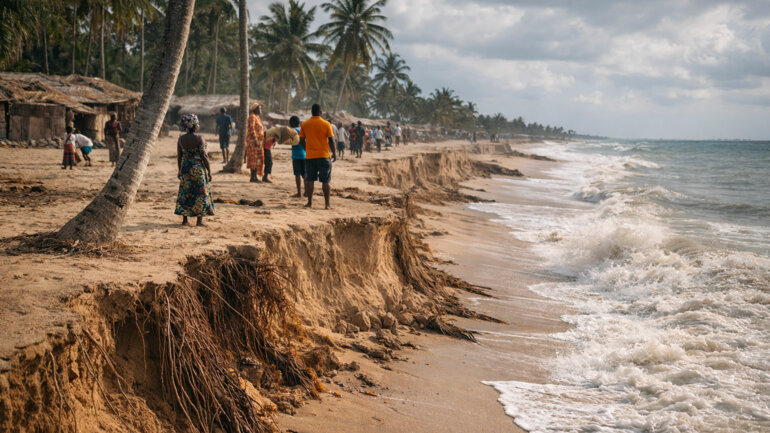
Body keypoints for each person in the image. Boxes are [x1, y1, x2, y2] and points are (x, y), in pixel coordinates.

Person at [175, 114, 214, 227]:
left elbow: (179, 156)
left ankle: (185, 220)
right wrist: (209, 171)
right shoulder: (199, 138)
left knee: (185, 193)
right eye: (198, 124)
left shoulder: (181, 139)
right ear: (194, 125)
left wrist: (180, 170)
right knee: (200, 193)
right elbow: (204, 156)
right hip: (198, 169)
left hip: (186, 168)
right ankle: (199, 221)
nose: (198, 126)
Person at [299, 104, 336, 209]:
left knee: (310, 180)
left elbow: (301, 140)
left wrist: (307, 149)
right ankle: (327, 205)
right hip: (323, 156)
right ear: (321, 112)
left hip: (310, 156)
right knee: (326, 181)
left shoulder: (305, 124)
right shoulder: (326, 124)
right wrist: (334, 153)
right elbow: (331, 140)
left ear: (311, 112)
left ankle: (309, 203)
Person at [245, 103, 265, 182]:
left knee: (256, 159)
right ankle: (253, 177)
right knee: (254, 158)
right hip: (253, 142)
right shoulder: (252, 117)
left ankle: (254, 177)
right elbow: (252, 128)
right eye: (259, 108)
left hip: (258, 142)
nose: (260, 110)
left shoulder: (257, 117)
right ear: (255, 109)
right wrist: (255, 139)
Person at [289, 116, 305, 197]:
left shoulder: (292, 131)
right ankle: (306, 192)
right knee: (305, 175)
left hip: (296, 156)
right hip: (304, 155)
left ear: (292, 123)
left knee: (297, 174)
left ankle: (299, 193)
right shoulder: (302, 130)